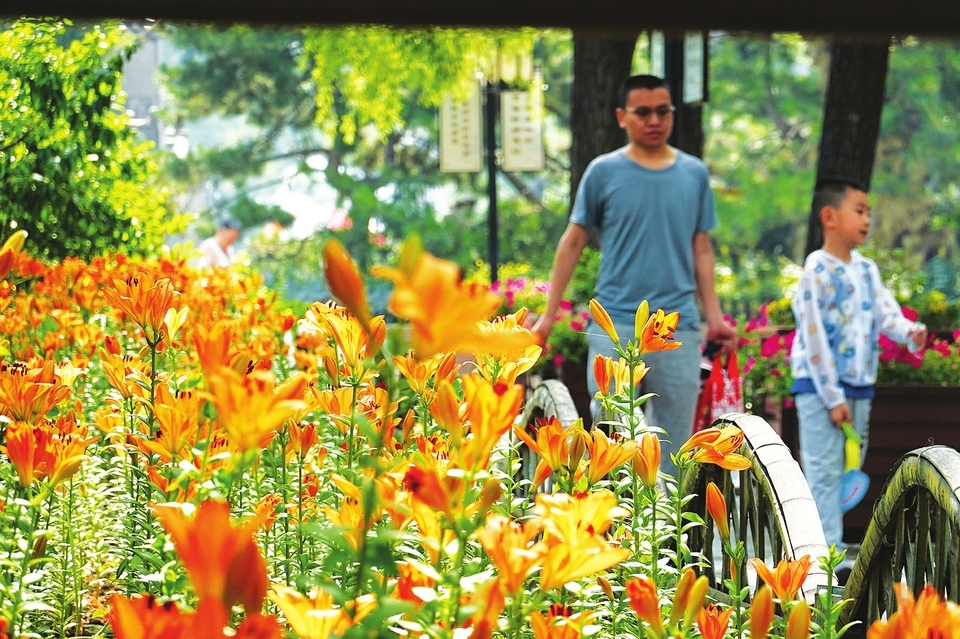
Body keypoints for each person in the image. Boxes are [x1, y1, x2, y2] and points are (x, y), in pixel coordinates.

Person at [532, 74, 736, 470]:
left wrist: (714, 318)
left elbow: (702, 248)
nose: (654, 120)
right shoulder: (602, 172)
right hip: (615, 324)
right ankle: (616, 530)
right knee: (611, 437)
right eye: (643, 112)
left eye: (663, 111)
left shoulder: (693, 173)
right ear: (622, 117)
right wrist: (547, 316)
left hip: (677, 326)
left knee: (676, 446)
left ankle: (670, 533)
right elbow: (572, 241)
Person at [789, 178, 927, 548]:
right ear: (829, 216)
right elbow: (814, 335)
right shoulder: (816, 270)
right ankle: (821, 562)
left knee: (847, 470)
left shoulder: (867, 270)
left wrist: (910, 332)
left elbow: (886, 315)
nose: (868, 219)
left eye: (869, 212)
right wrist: (832, 398)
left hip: (860, 389)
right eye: (860, 211)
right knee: (822, 471)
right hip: (820, 391)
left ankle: (825, 549)